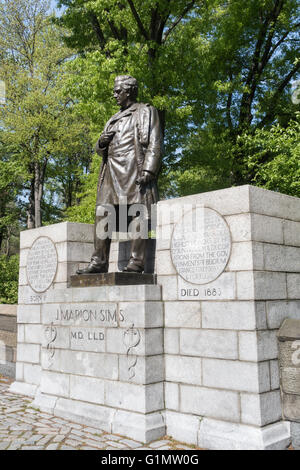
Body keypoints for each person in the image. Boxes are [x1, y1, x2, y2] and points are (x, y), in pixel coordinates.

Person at [77, 75, 163, 274]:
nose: (114, 94)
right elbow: (100, 151)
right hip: (111, 173)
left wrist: (149, 170)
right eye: (115, 91)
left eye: (118, 91)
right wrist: (101, 142)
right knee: (103, 213)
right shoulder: (113, 118)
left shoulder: (146, 111)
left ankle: (136, 262)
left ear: (130, 91)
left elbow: (155, 143)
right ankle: (98, 261)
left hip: (134, 169)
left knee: (136, 213)